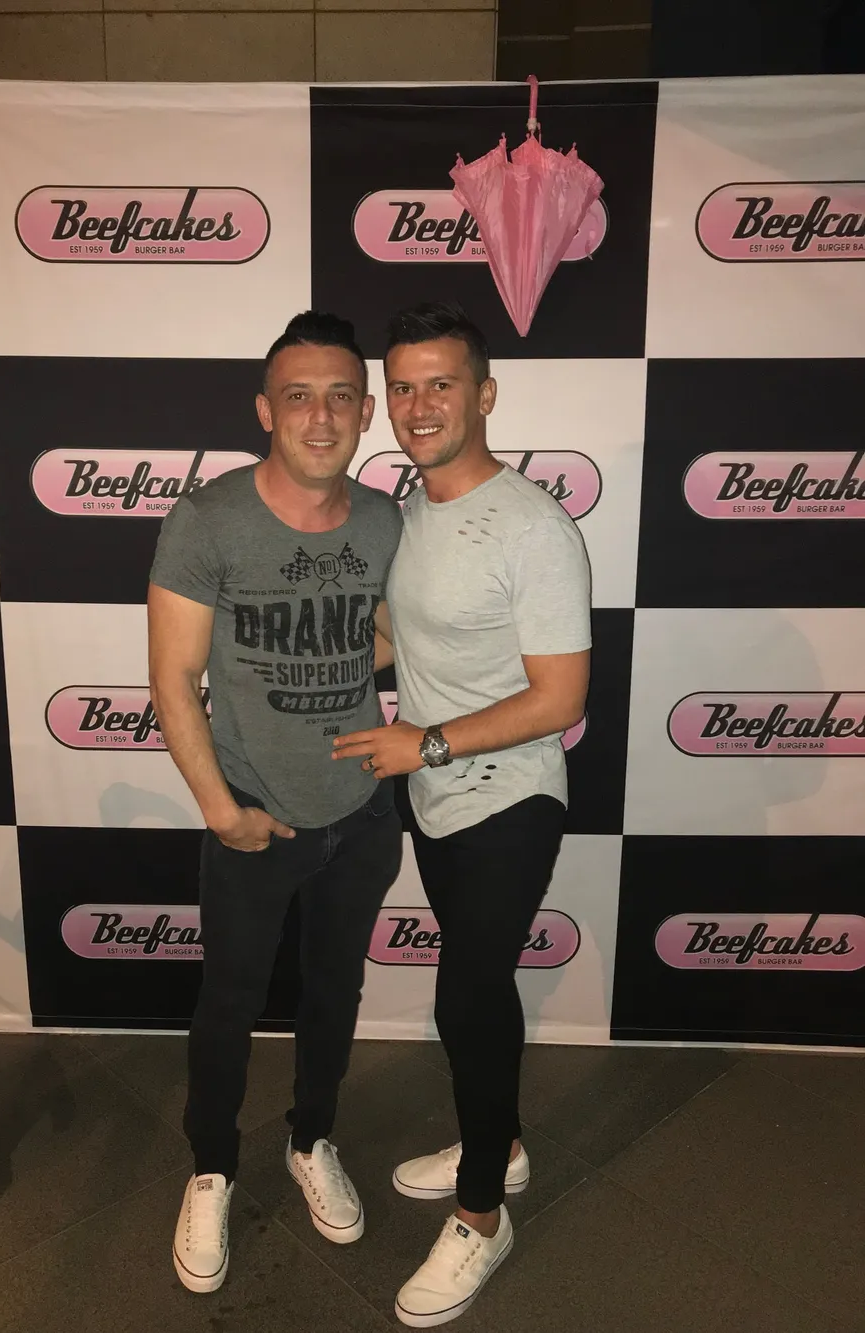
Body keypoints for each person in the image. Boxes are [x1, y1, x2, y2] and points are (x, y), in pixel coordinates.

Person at [333, 301, 592, 1327]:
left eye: (440, 383)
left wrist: (425, 742)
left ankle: (484, 1214)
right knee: (470, 994)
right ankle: (506, 1144)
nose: (418, 404)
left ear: (485, 395)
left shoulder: (533, 526)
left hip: (511, 794)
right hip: (436, 794)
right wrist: (296, 673)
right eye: (401, 386)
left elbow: (559, 697)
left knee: (469, 996)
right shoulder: (411, 506)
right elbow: (405, 640)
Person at [148, 311, 403, 1294]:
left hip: (361, 813)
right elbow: (173, 679)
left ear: (367, 412)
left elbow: (395, 634)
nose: (320, 416)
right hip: (253, 814)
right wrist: (222, 810)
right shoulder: (208, 519)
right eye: (298, 396)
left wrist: (345, 662)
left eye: (341, 396)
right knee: (230, 1000)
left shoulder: (385, 520)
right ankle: (211, 1166)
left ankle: (311, 1138)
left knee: (334, 992)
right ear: (265, 409)